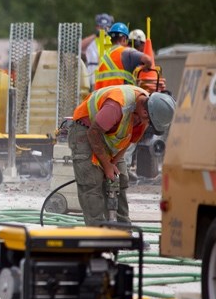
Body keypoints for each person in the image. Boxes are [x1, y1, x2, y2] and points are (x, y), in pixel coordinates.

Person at [68, 84, 175, 225]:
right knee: (92, 182)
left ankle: (122, 231)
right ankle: (97, 233)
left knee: (119, 179)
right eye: (149, 121)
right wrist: (106, 166)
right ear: (144, 114)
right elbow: (93, 134)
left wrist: (113, 164)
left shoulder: (147, 111)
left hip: (107, 133)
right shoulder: (116, 106)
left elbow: (128, 141)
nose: (147, 124)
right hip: (86, 129)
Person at [94, 22, 153, 90]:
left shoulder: (104, 57)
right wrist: (142, 68)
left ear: (111, 39)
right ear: (124, 39)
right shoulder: (126, 52)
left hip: (103, 96)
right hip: (120, 96)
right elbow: (148, 60)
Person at [80, 13, 114, 90]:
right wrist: (96, 35)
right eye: (101, 27)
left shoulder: (111, 41)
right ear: (97, 27)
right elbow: (80, 46)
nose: (103, 29)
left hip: (107, 77)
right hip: (91, 76)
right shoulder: (91, 41)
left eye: (106, 27)